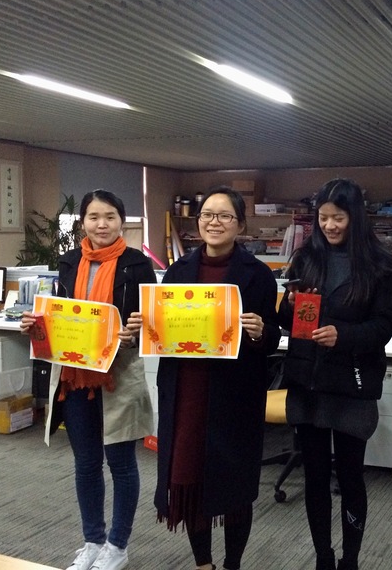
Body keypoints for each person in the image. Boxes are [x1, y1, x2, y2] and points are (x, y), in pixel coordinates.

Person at [128, 186, 280, 570]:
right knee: (190, 477)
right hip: (187, 390)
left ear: (240, 225)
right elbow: (165, 329)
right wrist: (145, 326)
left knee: (234, 485)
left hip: (234, 394)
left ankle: (232, 564)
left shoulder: (259, 275)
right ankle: (203, 564)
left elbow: (273, 337)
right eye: (208, 215)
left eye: (225, 216)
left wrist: (261, 331)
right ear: (198, 223)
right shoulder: (178, 271)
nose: (215, 222)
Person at [20, 190, 156, 570]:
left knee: (122, 464)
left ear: (121, 221)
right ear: (83, 222)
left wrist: (134, 333)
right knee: (86, 463)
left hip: (118, 374)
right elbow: (60, 317)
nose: (102, 224)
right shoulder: (68, 262)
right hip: (75, 376)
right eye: (94, 217)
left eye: (110, 217)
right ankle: (93, 541)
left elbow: (152, 325)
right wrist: (35, 326)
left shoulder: (137, 265)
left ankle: (118, 546)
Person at [277, 178, 392, 570]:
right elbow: (286, 320)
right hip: (308, 383)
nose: (330, 226)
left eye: (339, 218)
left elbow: (384, 326)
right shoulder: (306, 258)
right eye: (324, 218)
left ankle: (350, 558)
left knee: (350, 477)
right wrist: (289, 305)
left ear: (355, 217)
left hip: (351, 384)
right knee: (314, 477)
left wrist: (342, 335)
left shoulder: (380, 265)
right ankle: (323, 557)